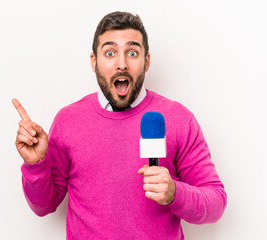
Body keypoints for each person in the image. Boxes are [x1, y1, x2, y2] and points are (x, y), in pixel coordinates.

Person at [12, 11, 227, 240]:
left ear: (146, 62)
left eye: (132, 53)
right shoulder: (68, 121)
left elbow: (216, 203)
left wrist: (176, 193)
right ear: (94, 62)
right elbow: (43, 206)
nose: (121, 64)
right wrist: (36, 164)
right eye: (110, 53)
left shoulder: (178, 119)